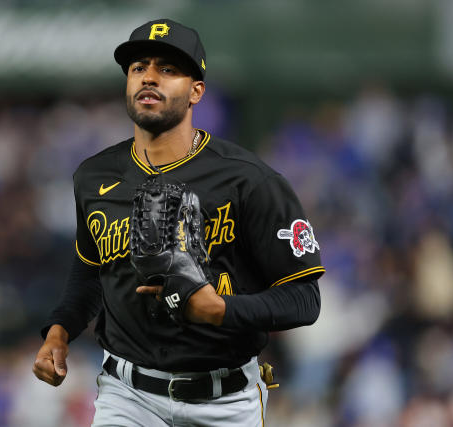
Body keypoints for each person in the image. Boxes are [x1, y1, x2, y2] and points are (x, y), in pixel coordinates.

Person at [33, 18, 325, 426]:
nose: (149, 77)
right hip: (127, 396)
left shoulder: (250, 180)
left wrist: (220, 310)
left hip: (225, 400)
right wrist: (59, 331)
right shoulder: (94, 176)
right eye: (138, 67)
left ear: (196, 91)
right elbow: (89, 273)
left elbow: (304, 299)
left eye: (168, 69)